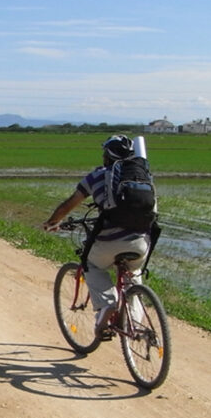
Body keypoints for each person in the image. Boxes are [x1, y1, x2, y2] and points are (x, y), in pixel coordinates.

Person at [42, 135, 151, 338]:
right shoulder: (141, 176)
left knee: (91, 263)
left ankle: (107, 305)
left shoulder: (98, 175)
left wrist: (52, 222)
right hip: (141, 241)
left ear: (107, 156)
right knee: (134, 276)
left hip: (111, 242)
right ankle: (133, 325)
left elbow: (71, 202)